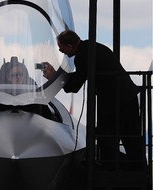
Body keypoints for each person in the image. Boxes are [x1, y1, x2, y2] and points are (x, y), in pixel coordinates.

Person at [43, 30, 144, 170]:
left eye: (62, 47)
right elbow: (80, 76)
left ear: (70, 46)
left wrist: (55, 76)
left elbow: (75, 84)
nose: (61, 51)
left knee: (106, 137)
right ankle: (137, 170)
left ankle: (117, 169)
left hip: (115, 101)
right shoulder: (91, 48)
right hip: (125, 98)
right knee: (130, 138)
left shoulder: (83, 56)